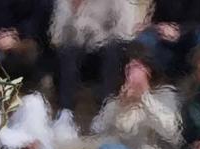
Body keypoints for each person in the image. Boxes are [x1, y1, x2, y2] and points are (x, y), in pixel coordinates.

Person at [93, 45, 181, 149]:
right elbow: (98, 129)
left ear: (148, 70)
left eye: (136, 67)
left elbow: (172, 132)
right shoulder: (116, 102)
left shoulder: (166, 95)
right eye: (128, 68)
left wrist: (145, 99)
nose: (131, 73)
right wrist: (121, 106)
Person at [50, 0, 138, 140]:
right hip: (79, 52)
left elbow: (126, 32)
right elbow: (57, 36)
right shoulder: (64, 3)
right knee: (67, 53)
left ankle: (106, 112)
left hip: (107, 49)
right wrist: (75, 14)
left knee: (112, 52)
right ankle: (65, 114)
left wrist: (98, 37)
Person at [134, 0, 200, 81]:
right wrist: (153, 28)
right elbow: (157, 20)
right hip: (172, 45)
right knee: (145, 39)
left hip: (198, 39)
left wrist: (180, 30)